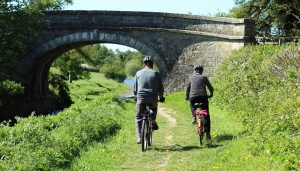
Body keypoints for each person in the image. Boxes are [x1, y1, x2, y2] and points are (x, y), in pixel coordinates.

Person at [133, 55, 165, 144]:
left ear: (144, 64)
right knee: (153, 109)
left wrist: (136, 96)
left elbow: (135, 88)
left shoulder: (138, 73)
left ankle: (139, 137)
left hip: (141, 98)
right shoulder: (156, 73)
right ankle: (153, 120)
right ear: (152, 64)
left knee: (139, 116)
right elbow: (160, 88)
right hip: (153, 98)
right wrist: (161, 97)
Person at [185, 64, 214, 140]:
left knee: (191, 104)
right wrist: (210, 94)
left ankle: (194, 116)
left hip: (193, 97)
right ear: (202, 71)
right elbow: (210, 88)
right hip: (203, 97)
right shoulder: (204, 77)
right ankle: (207, 134)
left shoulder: (191, 78)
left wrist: (187, 97)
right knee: (206, 115)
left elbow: (188, 89)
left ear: (194, 71)